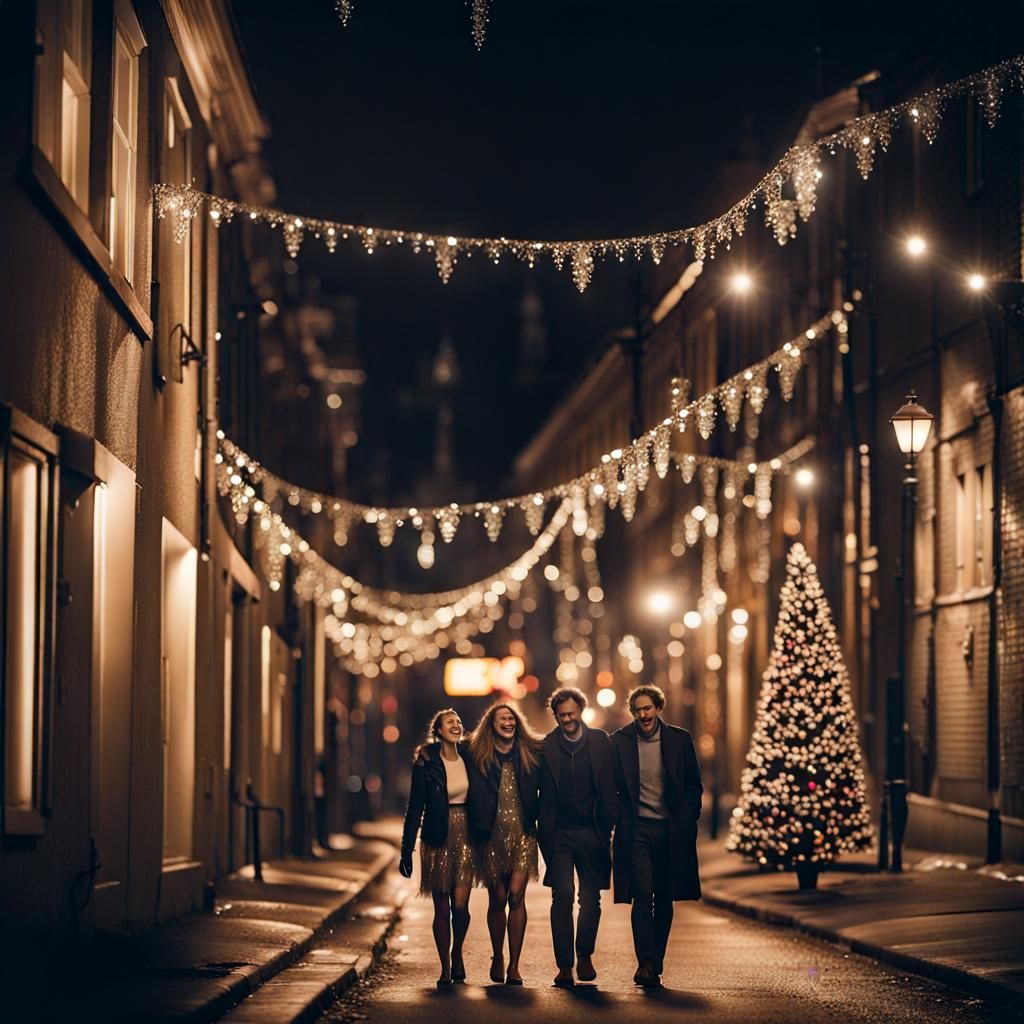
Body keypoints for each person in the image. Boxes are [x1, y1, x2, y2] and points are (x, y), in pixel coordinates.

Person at [611, 684, 703, 988]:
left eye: (647, 708)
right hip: (636, 830)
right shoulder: (621, 741)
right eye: (637, 710)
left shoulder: (679, 739)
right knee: (642, 893)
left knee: (664, 896)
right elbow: (611, 785)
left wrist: (689, 816)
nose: (642, 715)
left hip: (670, 830)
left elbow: (693, 784)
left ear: (658, 708)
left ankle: (657, 957)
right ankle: (646, 962)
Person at [537, 687, 619, 988]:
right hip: (558, 834)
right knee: (562, 896)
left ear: (580, 711)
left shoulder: (601, 741)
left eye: (571, 713)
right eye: (561, 715)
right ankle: (564, 966)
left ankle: (584, 954)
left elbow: (612, 782)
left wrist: (610, 821)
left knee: (591, 898)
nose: (567, 719)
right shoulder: (546, 746)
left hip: (593, 831)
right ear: (556, 716)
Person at [466, 701, 542, 986]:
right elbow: (446, 748)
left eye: (512, 718)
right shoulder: (475, 752)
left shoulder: (532, 750)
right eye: (502, 718)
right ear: (491, 723)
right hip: (490, 835)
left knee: (516, 895)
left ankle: (514, 965)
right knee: (497, 898)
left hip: (523, 833)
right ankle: (497, 956)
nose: (508, 722)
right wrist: (426, 752)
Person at [400, 708, 476, 987]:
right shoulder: (426, 761)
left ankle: (458, 953)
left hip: (466, 834)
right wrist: (406, 849)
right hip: (436, 834)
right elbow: (415, 806)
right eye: (450, 722)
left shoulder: (471, 756)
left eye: (458, 721)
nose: (456, 725)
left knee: (461, 907)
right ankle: (445, 965)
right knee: (442, 909)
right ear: (439, 731)